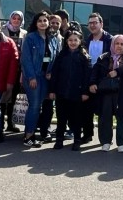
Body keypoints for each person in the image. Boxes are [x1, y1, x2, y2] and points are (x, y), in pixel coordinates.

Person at [89, 35, 123, 152]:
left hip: (122, 92)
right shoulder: (103, 57)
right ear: (112, 44)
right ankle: (105, 141)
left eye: (122, 44)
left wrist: (117, 71)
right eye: (117, 43)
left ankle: (121, 143)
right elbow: (95, 72)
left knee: (121, 117)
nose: (119, 46)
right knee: (104, 117)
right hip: (106, 92)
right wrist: (92, 83)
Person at [20, 11, 60, 147]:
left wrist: (52, 73)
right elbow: (26, 60)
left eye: (45, 20)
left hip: (46, 78)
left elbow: (56, 59)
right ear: (36, 23)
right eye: (40, 20)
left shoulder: (53, 39)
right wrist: (31, 77)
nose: (43, 23)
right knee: (35, 106)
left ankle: (30, 133)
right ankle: (28, 137)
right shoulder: (30, 38)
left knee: (41, 106)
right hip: (33, 77)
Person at [48, 30, 92, 151]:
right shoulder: (61, 56)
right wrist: (52, 90)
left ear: (80, 41)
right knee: (61, 118)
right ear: (66, 41)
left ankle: (77, 140)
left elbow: (87, 77)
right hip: (61, 92)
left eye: (75, 40)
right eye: (70, 40)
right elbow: (55, 74)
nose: (73, 42)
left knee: (76, 119)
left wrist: (85, 92)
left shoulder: (84, 57)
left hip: (77, 93)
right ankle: (59, 140)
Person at [84, 12, 112, 144]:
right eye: (90, 23)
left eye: (95, 22)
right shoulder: (85, 40)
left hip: (104, 79)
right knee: (87, 109)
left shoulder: (110, 40)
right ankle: (87, 134)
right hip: (89, 79)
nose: (92, 25)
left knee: (104, 111)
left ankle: (105, 138)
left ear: (101, 24)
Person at [37, 14, 64, 142]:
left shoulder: (61, 39)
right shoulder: (42, 36)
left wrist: (53, 73)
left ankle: (45, 130)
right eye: (52, 22)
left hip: (52, 77)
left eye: (57, 23)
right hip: (39, 75)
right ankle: (35, 127)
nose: (54, 25)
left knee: (48, 105)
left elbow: (59, 58)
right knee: (36, 104)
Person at [2, 10, 26, 133]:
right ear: (10, 19)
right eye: (14, 18)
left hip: (17, 68)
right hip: (3, 68)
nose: (16, 20)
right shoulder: (2, 31)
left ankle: (10, 123)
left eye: (18, 19)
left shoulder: (24, 33)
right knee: (2, 95)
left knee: (13, 96)